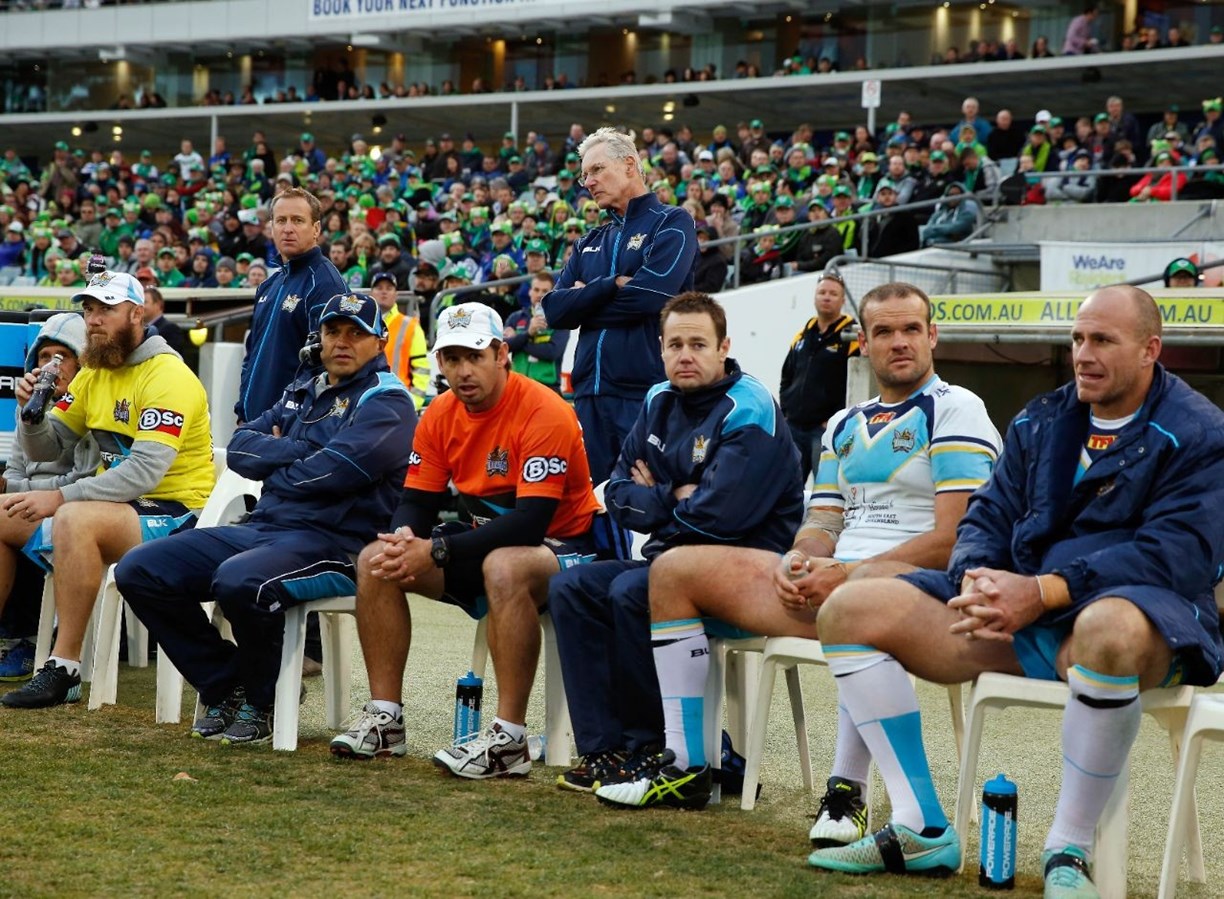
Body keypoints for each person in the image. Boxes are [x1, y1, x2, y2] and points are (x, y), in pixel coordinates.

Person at [807, 286, 1224, 894]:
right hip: (1029, 617)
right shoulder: (1043, 417)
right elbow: (986, 515)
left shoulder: (1200, 430)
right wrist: (978, 577)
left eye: (1103, 340)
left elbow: (1176, 555)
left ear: (1150, 350)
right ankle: (921, 825)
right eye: (1077, 339)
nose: (1084, 354)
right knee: (851, 606)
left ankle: (1068, 852)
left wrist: (1045, 591)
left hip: (1145, 623)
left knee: (1107, 626)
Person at [595, 282, 1001, 813]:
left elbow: (956, 538)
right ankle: (685, 765)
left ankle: (847, 794)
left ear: (932, 337)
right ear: (864, 342)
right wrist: (801, 558)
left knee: (860, 601)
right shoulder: (844, 423)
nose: (898, 342)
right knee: (672, 569)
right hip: (835, 580)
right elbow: (823, 520)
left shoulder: (958, 409)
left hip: (918, 589)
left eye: (910, 329)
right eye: (883, 331)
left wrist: (847, 573)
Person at [116, 293, 414, 745]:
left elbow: (337, 472)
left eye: (357, 333)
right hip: (263, 528)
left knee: (240, 581)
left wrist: (276, 462)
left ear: (380, 342)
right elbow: (239, 448)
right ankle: (227, 682)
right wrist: (302, 452)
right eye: (333, 331)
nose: (343, 341)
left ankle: (264, 699)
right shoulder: (302, 389)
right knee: (139, 569)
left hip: (334, 543)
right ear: (320, 337)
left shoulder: (387, 400)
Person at [549, 291, 804, 795]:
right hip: (670, 564)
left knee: (631, 591)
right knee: (572, 587)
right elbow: (614, 492)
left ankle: (657, 749)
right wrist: (675, 494)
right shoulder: (657, 398)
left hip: (747, 572)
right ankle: (605, 750)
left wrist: (656, 497)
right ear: (661, 349)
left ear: (724, 347)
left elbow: (721, 518)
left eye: (698, 344)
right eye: (675, 345)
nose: (685, 355)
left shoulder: (750, 407)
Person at [329, 302, 600, 775]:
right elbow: (416, 501)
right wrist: (405, 537)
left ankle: (510, 740)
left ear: (502, 355)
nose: (463, 371)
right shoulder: (439, 413)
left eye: (475, 356)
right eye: (452, 359)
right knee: (377, 558)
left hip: (566, 547)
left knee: (505, 566)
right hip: (483, 540)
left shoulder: (545, 411)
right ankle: (386, 719)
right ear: (439, 362)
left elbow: (531, 523)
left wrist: (438, 549)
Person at [0, 272, 213, 709]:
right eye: (89, 309)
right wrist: (29, 414)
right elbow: (48, 447)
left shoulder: (168, 375)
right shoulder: (93, 373)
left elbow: (143, 473)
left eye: (107, 309)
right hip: (116, 509)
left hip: (179, 513)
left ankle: (65, 668)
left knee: (75, 517)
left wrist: (59, 497)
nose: (94, 319)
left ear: (137, 314)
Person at [543, 127, 697, 482]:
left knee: (646, 498)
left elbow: (650, 297)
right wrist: (610, 285)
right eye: (584, 175)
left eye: (596, 169)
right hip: (588, 396)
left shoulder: (672, 222)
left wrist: (584, 301)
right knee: (595, 504)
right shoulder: (589, 241)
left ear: (629, 165)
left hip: (645, 391)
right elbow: (553, 310)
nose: (588, 182)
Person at [0, 315, 98, 681]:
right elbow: (15, 468)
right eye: (44, 356)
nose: (52, 365)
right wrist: (13, 490)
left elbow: (82, 478)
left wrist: (18, 494)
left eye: (63, 355)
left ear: (81, 362)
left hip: (76, 508)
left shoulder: (91, 404)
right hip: (31, 504)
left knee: (10, 519)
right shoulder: (30, 404)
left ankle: (24, 639)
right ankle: (15, 636)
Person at [234, 187, 347, 424]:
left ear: (316, 229)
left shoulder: (325, 284)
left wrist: (290, 422)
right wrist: (242, 410)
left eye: (297, 220)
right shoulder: (269, 285)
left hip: (288, 429)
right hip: (253, 423)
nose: (288, 228)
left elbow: (328, 368)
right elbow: (251, 355)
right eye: (281, 220)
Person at [778, 273, 860, 482]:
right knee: (788, 485)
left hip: (824, 430)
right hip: (794, 427)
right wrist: (786, 412)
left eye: (833, 293)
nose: (827, 297)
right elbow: (787, 375)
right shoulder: (802, 335)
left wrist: (835, 418)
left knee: (826, 486)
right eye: (822, 292)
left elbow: (856, 382)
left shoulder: (851, 337)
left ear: (843, 300)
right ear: (815, 297)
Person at [369, 271, 428, 411]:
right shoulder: (360, 324)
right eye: (379, 288)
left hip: (398, 404)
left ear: (396, 294)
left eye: (389, 288)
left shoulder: (411, 326)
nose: (384, 292)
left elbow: (421, 369)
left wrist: (413, 403)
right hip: (365, 402)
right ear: (371, 293)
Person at [503, 272, 569, 393]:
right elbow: (504, 347)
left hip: (547, 388)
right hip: (517, 386)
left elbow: (552, 352)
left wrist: (519, 339)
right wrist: (528, 334)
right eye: (536, 290)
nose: (539, 294)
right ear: (530, 291)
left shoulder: (560, 320)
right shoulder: (516, 317)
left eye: (545, 291)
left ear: (552, 293)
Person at [142, 285, 186, 356]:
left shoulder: (171, 329)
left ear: (158, 305)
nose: (141, 306)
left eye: (145, 302)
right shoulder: (141, 329)